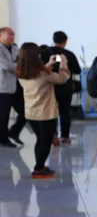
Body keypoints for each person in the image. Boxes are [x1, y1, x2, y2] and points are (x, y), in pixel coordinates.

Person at [16, 43, 70, 179]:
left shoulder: (21, 72)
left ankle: (39, 165)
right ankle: (38, 169)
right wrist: (63, 64)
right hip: (46, 113)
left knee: (40, 140)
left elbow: (39, 76)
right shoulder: (43, 73)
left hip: (31, 112)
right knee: (46, 142)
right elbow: (62, 79)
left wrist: (49, 64)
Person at [49, 31, 82, 146]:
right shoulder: (68, 54)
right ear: (65, 41)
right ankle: (65, 137)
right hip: (65, 87)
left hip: (49, 86)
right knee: (65, 112)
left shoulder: (46, 52)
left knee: (51, 112)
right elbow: (77, 70)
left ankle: (52, 135)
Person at [0, 27, 22, 148]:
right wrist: (18, 67)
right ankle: (3, 139)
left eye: (13, 35)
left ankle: (13, 132)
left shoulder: (15, 48)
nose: (12, 37)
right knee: (4, 115)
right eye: (9, 35)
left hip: (16, 85)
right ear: (1, 36)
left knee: (25, 112)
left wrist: (17, 67)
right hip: (3, 88)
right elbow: (5, 65)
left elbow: (22, 62)